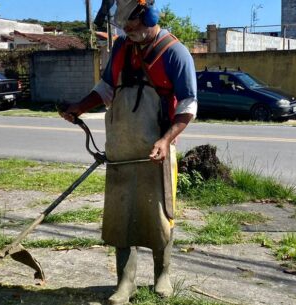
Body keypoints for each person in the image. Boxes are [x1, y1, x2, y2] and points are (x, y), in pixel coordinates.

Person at [59, 0, 197, 303]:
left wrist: (165, 140)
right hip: (121, 151)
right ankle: (125, 283)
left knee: (160, 217)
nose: (129, 33)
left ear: (150, 17)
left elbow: (188, 106)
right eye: (126, 29)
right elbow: (106, 89)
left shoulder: (175, 53)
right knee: (122, 218)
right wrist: (78, 108)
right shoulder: (122, 47)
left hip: (156, 153)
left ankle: (163, 276)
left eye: (134, 28)